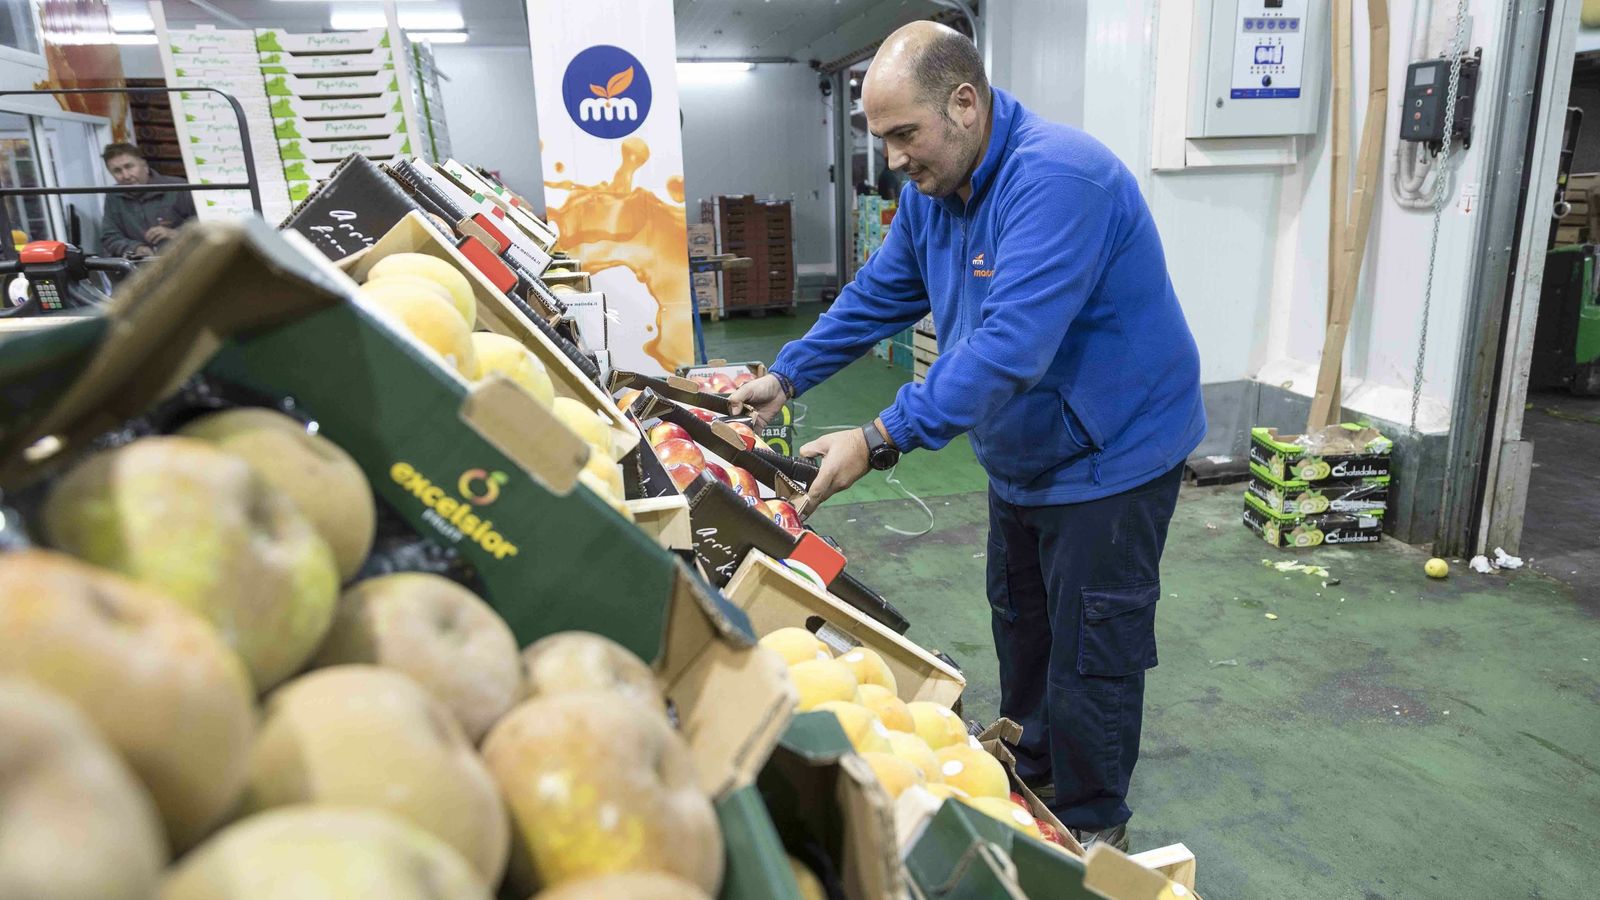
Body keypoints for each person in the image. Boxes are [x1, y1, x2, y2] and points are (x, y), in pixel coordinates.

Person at [729, 21, 1205, 852]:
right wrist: (789, 373)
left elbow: (1009, 348)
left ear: (965, 103)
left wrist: (879, 436)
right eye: (881, 140)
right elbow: (882, 292)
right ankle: (1032, 772)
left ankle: (1094, 829)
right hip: (1024, 451)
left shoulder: (1060, 179)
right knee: (1021, 617)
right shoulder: (933, 195)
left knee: (1093, 643)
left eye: (905, 135)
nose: (894, 161)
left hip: (1112, 454)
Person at [97, 143, 195, 258]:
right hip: (141, 268)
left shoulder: (178, 187)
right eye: (117, 171)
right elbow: (110, 237)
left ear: (144, 166)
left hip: (186, 261)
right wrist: (135, 248)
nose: (126, 176)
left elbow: (207, 223)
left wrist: (175, 234)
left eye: (129, 166)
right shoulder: (113, 196)